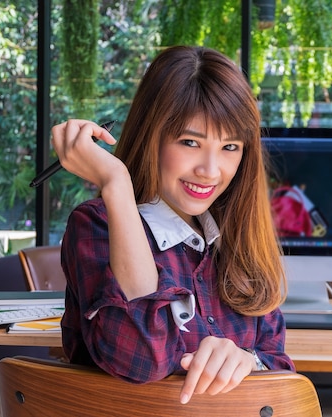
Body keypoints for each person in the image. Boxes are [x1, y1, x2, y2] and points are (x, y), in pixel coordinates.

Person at [51, 45, 294, 405]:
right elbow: (141, 360)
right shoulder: (97, 225)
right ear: (152, 136)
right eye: (190, 142)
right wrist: (116, 181)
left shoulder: (236, 239)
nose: (210, 170)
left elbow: (280, 371)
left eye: (230, 147)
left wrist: (247, 360)